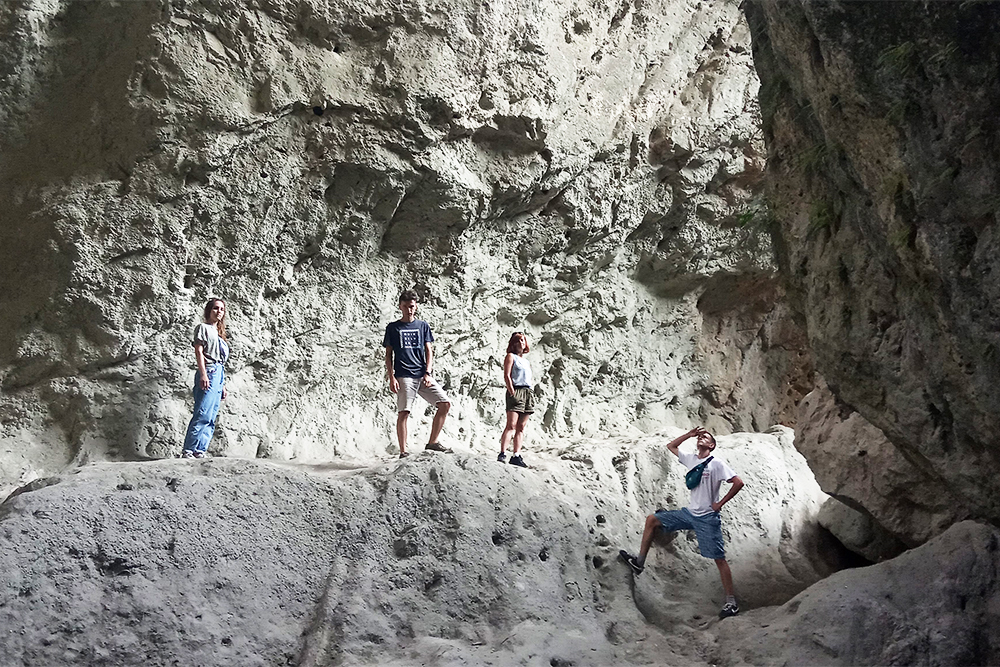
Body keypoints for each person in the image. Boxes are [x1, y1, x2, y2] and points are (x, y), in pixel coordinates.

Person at [619, 426, 745, 619]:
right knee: (652, 519)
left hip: (707, 518)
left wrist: (720, 503)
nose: (702, 437)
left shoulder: (717, 463)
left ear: (711, 445)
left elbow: (738, 483)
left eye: (706, 437)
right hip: (689, 513)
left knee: (719, 559)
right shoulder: (692, 459)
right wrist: (689, 434)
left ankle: (731, 603)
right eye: (701, 436)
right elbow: (671, 446)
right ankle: (639, 563)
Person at [383, 289, 452, 458]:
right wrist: (391, 377)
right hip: (404, 375)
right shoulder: (393, 328)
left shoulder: (422, 326)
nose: (409, 309)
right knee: (404, 411)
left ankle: (432, 442)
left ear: (416, 306)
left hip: (422, 374)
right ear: (400, 306)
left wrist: (428, 373)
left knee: (445, 403)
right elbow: (388, 355)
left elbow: (429, 350)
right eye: (406, 306)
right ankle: (403, 451)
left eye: (412, 306)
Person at [181, 298, 229, 459]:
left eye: (221, 309)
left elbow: (221, 361)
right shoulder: (203, 328)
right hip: (209, 370)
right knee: (202, 412)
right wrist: (203, 374)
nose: (219, 311)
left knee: (211, 414)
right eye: (215, 308)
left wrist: (222, 385)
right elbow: (199, 352)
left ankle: (200, 449)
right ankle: (189, 449)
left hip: (219, 373)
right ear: (209, 311)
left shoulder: (220, 335)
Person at [498, 331, 534, 468]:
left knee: (521, 427)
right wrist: (512, 391)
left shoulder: (526, 361)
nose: (521, 342)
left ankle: (516, 455)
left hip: (527, 392)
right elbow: (507, 375)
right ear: (513, 343)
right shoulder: (510, 357)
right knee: (511, 425)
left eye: (523, 340)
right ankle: (502, 453)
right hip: (516, 390)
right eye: (518, 340)